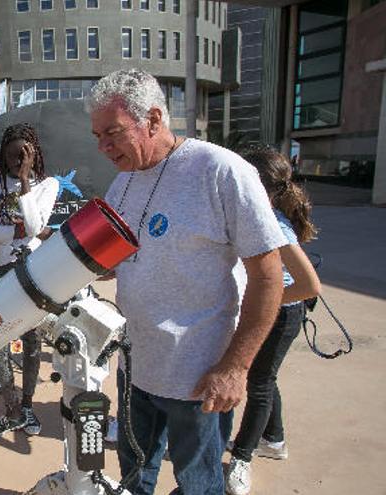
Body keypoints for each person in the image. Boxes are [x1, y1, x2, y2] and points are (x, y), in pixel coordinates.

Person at [87, 69, 286, 495]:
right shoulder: (122, 182)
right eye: (97, 136)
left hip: (198, 380)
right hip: (135, 369)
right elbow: (116, 261)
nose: (103, 147)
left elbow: (269, 277)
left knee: (197, 485)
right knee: (133, 476)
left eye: (113, 133)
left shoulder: (221, 171)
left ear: (154, 120)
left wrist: (235, 368)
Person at [224, 147, 322, 495]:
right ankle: (274, 440)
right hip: (272, 310)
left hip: (281, 314)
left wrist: (262, 303)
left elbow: (309, 285)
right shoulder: (258, 214)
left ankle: (242, 457)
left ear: (257, 186)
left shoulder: (271, 223)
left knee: (259, 383)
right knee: (264, 376)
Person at [0, 123, 59, 439]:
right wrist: (17, 231)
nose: (16, 160)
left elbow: (37, 226)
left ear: (33, 153)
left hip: (35, 273)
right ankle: (10, 410)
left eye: (22, 155)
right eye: (11, 155)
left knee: (33, 343)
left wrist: (25, 180)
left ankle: (27, 407)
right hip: (5, 273)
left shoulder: (47, 185)